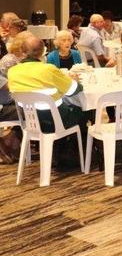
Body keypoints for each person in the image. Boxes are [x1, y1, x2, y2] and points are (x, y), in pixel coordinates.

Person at [8, 36, 87, 169]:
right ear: (42, 52)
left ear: (23, 51)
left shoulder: (12, 71)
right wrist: (76, 81)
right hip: (55, 121)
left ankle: (60, 150)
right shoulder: (48, 69)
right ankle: (74, 152)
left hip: (31, 122)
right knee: (85, 110)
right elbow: (73, 90)